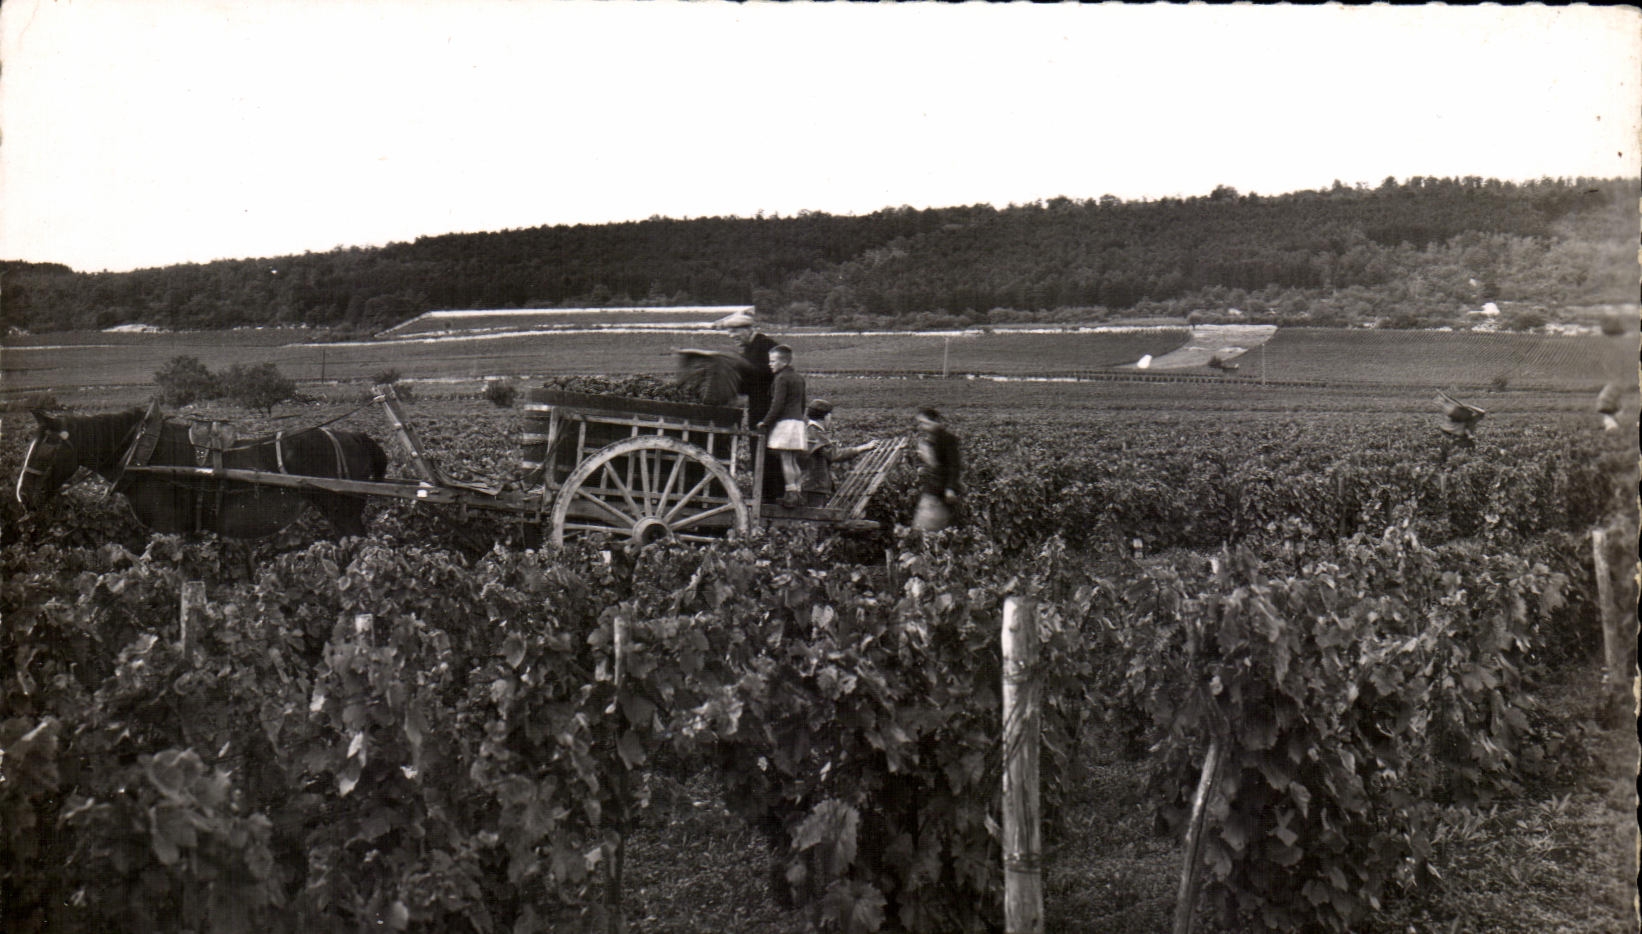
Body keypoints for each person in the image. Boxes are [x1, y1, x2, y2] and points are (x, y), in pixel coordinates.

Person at [715, 309, 784, 502]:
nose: (732, 336)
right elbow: (748, 383)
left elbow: (767, 375)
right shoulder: (750, 349)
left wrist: (738, 367)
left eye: (735, 332)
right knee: (759, 456)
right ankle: (764, 497)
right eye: (729, 332)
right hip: (758, 410)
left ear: (747, 329)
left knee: (770, 456)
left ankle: (772, 500)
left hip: (770, 412)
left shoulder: (767, 347)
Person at [800, 399, 878, 507]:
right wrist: (863, 448)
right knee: (812, 518)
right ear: (826, 416)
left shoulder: (811, 430)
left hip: (811, 484)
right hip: (813, 485)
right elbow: (834, 454)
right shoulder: (814, 432)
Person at [757, 345, 807, 508]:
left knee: (786, 459)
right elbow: (803, 404)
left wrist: (766, 422)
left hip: (785, 423)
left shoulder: (781, 379)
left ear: (784, 362)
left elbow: (777, 404)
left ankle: (790, 494)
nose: (770, 364)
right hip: (797, 422)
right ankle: (798, 492)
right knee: (793, 459)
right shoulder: (799, 378)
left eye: (773, 361)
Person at [913, 406, 961, 531]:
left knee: (927, 529)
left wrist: (950, 488)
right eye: (920, 423)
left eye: (924, 423)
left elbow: (954, 466)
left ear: (935, 422)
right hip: (931, 489)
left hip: (940, 491)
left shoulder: (947, 439)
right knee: (926, 528)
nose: (922, 426)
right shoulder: (928, 440)